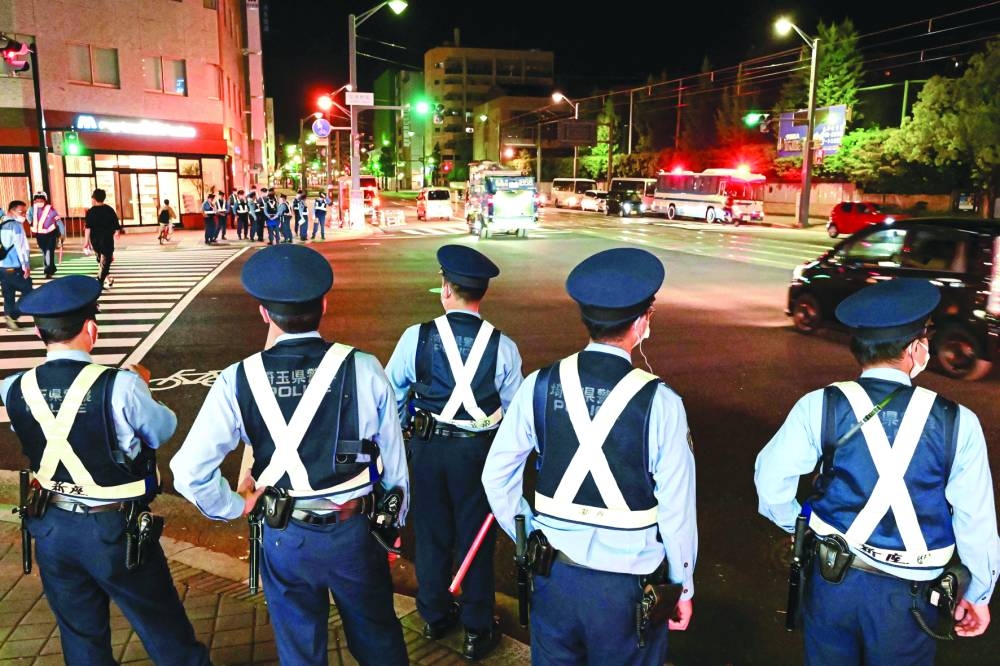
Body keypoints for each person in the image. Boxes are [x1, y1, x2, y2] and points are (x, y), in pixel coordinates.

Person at [170, 244, 410, 666]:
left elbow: (189, 472)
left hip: (286, 535)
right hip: (355, 530)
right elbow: (395, 463)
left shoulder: (238, 379)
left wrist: (234, 505)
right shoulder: (365, 367)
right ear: (324, 303)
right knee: (378, 639)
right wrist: (394, 523)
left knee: (300, 646)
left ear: (264, 314)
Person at [754, 278, 1000, 665]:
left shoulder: (821, 405)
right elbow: (976, 520)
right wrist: (979, 593)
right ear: (915, 348)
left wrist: (803, 529)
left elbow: (771, 486)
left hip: (832, 580)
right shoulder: (957, 422)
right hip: (910, 597)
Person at [482, 247, 698, 666]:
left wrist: (527, 539)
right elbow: (676, 510)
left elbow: (497, 477)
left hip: (553, 577)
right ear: (640, 323)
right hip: (629, 588)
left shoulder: (539, 386)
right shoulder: (662, 402)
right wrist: (682, 585)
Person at [0, 274, 210, 665]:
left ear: (39, 332)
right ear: (91, 329)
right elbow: (163, 429)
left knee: (81, 639)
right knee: (164, 630)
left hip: (50, 527)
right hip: (114, 530)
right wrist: (142, 386)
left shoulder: (14, 387)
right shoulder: (121, 386)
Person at [386, 244, 523, 661]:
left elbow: (392, 393)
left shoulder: (418, 337)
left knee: (430, 534)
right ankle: (478, 629)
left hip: (427, 451)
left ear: (446, 289)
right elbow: (517, 416)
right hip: (478, 455)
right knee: (475, 540)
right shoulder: (504, 346)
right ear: (481, 295)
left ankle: (434, 614)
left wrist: (401, 439)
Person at [0, 199, 33, 330]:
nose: (24, 214)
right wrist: (26, 265)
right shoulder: (15, 226)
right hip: (13, 266)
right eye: (22, 212)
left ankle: (10, 323)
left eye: (25, 212)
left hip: (1, 266)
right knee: (29, 291)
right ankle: (12, 316)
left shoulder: (1, 221)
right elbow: (21, 248)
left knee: (8, 295)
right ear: (11, 211)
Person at [83, 188, 121, 290]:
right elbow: (116, 225)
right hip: (107, 240)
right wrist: (117, 233)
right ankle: (99, 283)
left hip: (95, 241)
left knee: (102, 261)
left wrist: (86, 242)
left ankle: (106, 279)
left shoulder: (91, 211)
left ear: (94, 199)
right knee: (104, 262)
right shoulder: (109, 209)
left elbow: (88, 228)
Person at [28, 191, 61, 278]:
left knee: (49, 252)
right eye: (37, 200)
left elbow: (58, 221)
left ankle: (48, 271)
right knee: (45, 252)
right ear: (34, 201)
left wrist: (62, 233)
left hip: (51, 233)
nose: (39, 202)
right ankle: (51, 268)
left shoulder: (51, 209)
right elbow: (28, 218)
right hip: (40, 235)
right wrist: (31, 222)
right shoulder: (31, 210)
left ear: (45, 200)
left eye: (41, 200)